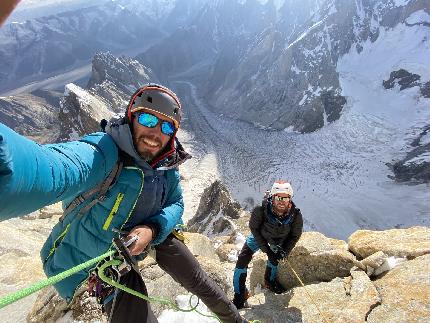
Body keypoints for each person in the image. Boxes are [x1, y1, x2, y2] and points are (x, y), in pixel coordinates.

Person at [0, 84, 245, 323]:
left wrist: (153, 229)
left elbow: (176, 202)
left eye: (167, 127)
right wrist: (7, 169)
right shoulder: (104, 152)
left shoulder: (165, 163)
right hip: (104, 258)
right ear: (131, 117)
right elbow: (54, 169)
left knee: (199, 279)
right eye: (148, 120)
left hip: (148, 232)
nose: (156, 133)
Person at [232, 180, 303, 309]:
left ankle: (269, 281)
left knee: (274, 260)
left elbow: (294, 235)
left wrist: (285, 250)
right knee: (242, 259)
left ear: (290, 199)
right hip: (260, 237)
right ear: (272, 197)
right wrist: (267, 251)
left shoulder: (295, 215)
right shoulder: (260, 210)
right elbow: (254, 228)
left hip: (278, 241)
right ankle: (239, 294)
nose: (282, 201)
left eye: (285, 198)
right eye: (279, 197)